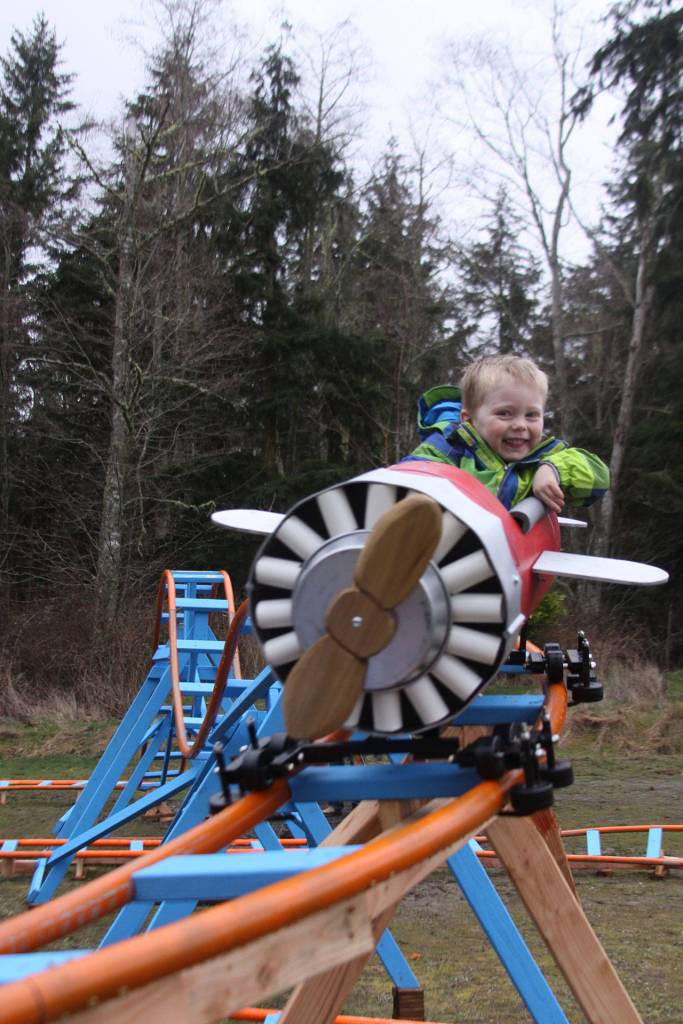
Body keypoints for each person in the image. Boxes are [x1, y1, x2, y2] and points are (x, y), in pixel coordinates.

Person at [404, 355, 609, 513]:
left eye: (531, 415)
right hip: (455, 562)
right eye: (504, 414)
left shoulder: (546, 456)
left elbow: (599, 478)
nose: (520, 425)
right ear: (469, 420)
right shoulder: (448, 448)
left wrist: (552, 470)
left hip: (521, 562)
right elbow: (407, 480)